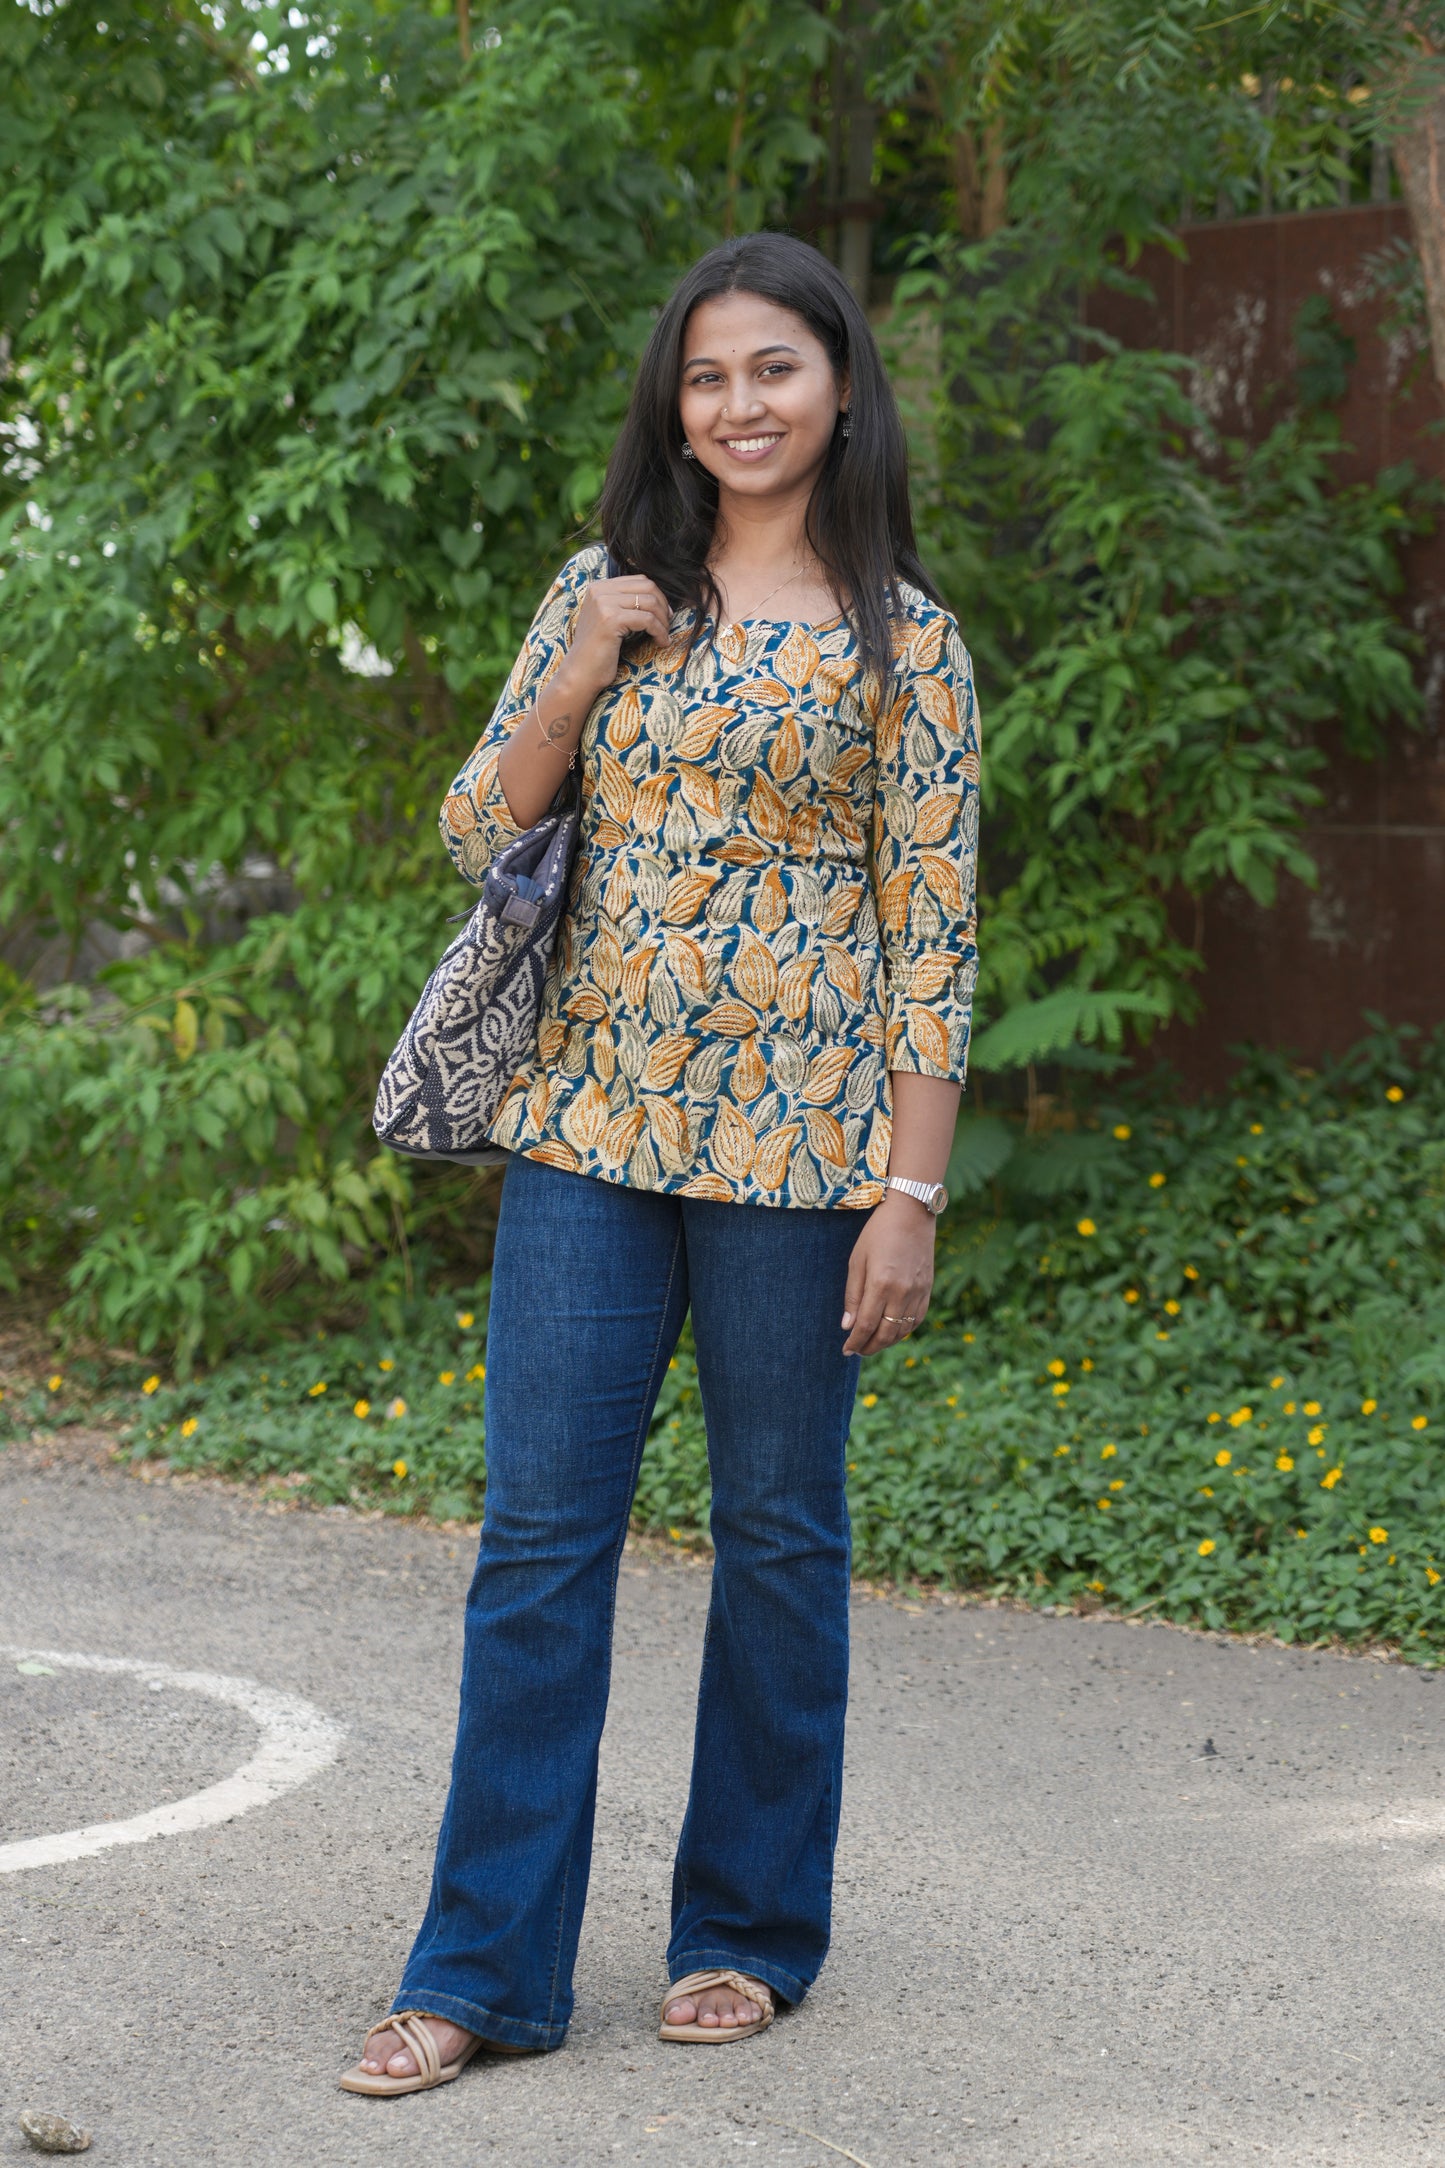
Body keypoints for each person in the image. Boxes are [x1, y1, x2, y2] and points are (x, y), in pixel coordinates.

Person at [341, 229, 979, 2096]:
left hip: (803, 1151)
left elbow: (932, 937)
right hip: (587, 1132)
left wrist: (909, 1196)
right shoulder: (606, 590)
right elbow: (476, 827)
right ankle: (481, 1972)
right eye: (707, 376)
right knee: (540, 1540)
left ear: (839, 388)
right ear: (674, 404)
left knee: (777, 1539)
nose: (739, 404)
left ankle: (745, 1933)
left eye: (774, 368)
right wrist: (582, 664)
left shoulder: (908, 644)